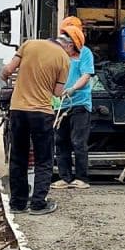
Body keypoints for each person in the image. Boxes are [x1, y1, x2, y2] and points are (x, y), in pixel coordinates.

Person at [0, 24, 77, 215]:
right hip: (41, 113)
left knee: (18, 158)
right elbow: (57, 92)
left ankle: (17, 204)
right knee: (44, 159)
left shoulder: (29, 44)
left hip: (18, 110)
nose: (72, 55)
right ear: (69, 46)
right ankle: (38, 204)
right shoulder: (63, 59)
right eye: (74, 52)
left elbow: (7, 71)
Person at [53, 18, 96, 190]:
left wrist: (72, 89)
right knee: (60, 141)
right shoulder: (59, 55)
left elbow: (86, 75)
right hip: (60, 104)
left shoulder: (85, 53)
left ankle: (81, 178)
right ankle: (65, 177)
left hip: (80, 104)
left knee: (78, 141)